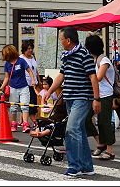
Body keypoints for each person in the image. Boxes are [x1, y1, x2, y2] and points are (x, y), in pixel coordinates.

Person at [45, 26, 101, 177]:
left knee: (71, 130)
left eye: (61, 39)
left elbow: (93, 78)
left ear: (68, 40)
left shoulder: (84, 55)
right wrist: (49, 91)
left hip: (82, 98)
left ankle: (74, 166)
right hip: (69, 98)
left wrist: (96, 99)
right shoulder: (66, 56)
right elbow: (61, 75)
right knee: (79, 131)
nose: (60, 42)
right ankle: (87, 167)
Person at [85, 34, 116, 161]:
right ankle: (100, 142)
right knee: (86, 119)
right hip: (95, 94)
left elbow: (98, 77)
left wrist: (87, 76)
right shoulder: (93, 59)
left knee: (104, 122)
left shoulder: (104, 60)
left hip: (105, 95)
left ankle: (110, 150)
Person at [0, 44, 36, 132]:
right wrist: (1, 87)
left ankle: (25, 124)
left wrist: (33, 80)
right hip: (13, 87)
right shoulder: (7, 64)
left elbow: (29, 71)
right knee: (13, 107)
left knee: (25, 105)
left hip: (24, 86)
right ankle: (13, 123)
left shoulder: (21, 61)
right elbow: (6, 77)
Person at [21, 41, 40, 129]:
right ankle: (33, 121)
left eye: (31, 48)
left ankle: (24, 121)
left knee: (33, 102)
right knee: (28, 103)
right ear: (24, 49)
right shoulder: (21, 58)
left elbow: (35, 70)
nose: (30, 50)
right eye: (28, 49)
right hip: (25, 83)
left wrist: (38, 81)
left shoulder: (33, 58)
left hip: (34, 83)